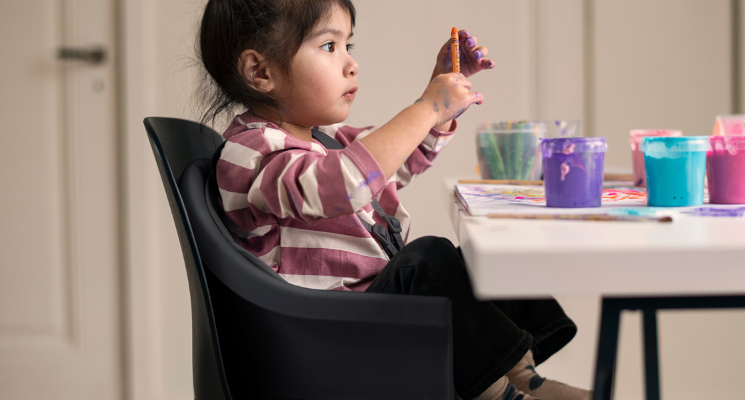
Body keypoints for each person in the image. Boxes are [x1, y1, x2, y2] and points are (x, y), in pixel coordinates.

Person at [198, 0, 591, 399]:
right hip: (324, 338)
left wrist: (437, 97)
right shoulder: (250, 153)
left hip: (364, 321)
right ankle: (501, 393)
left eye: (349, 45)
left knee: (483, 254)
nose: (351, 64)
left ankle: (522, 377)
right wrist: (426, 107)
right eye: (329, 47)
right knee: (427, 262)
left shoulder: (324, 139)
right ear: (260, 71)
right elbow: (347, 182)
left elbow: (396, 159)